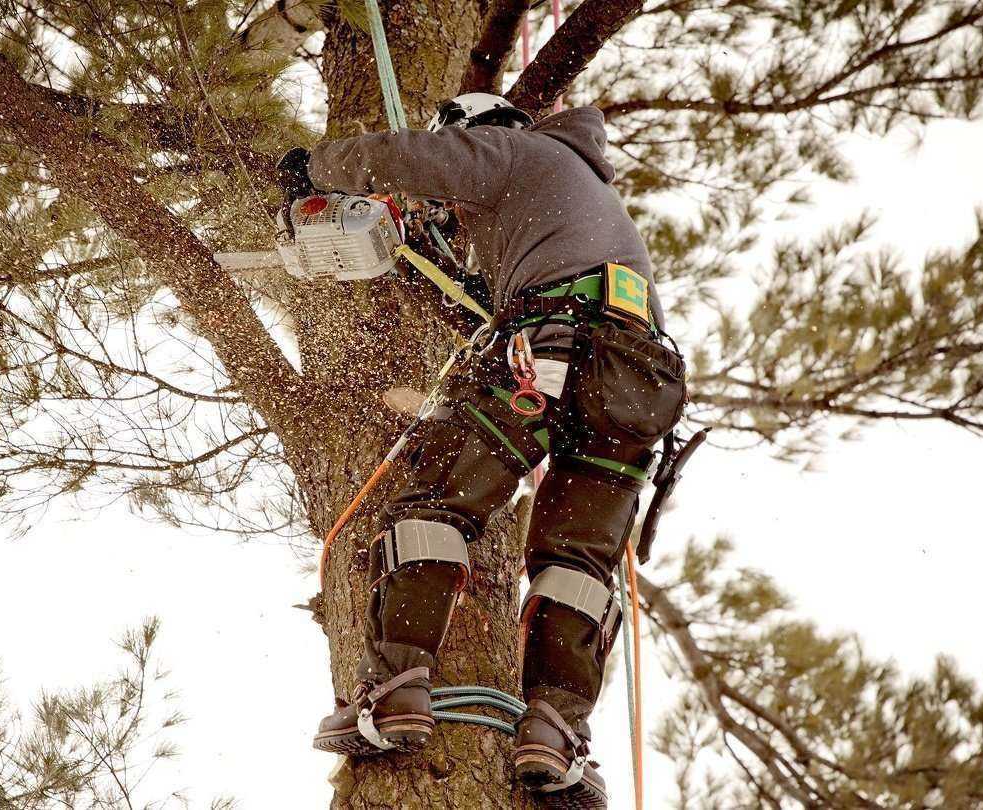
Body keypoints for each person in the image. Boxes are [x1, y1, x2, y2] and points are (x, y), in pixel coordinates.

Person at [283, 93, 686, 809]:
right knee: (577, 561)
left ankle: (397, 693)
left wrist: (315, 167)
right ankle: (555, 736)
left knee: (437, 502)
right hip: (636, 378)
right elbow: (483, 304)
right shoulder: (573, 196)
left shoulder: (514, 150)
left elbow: (407, 158)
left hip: (551, 344)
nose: (457, 215)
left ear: (474, 134)